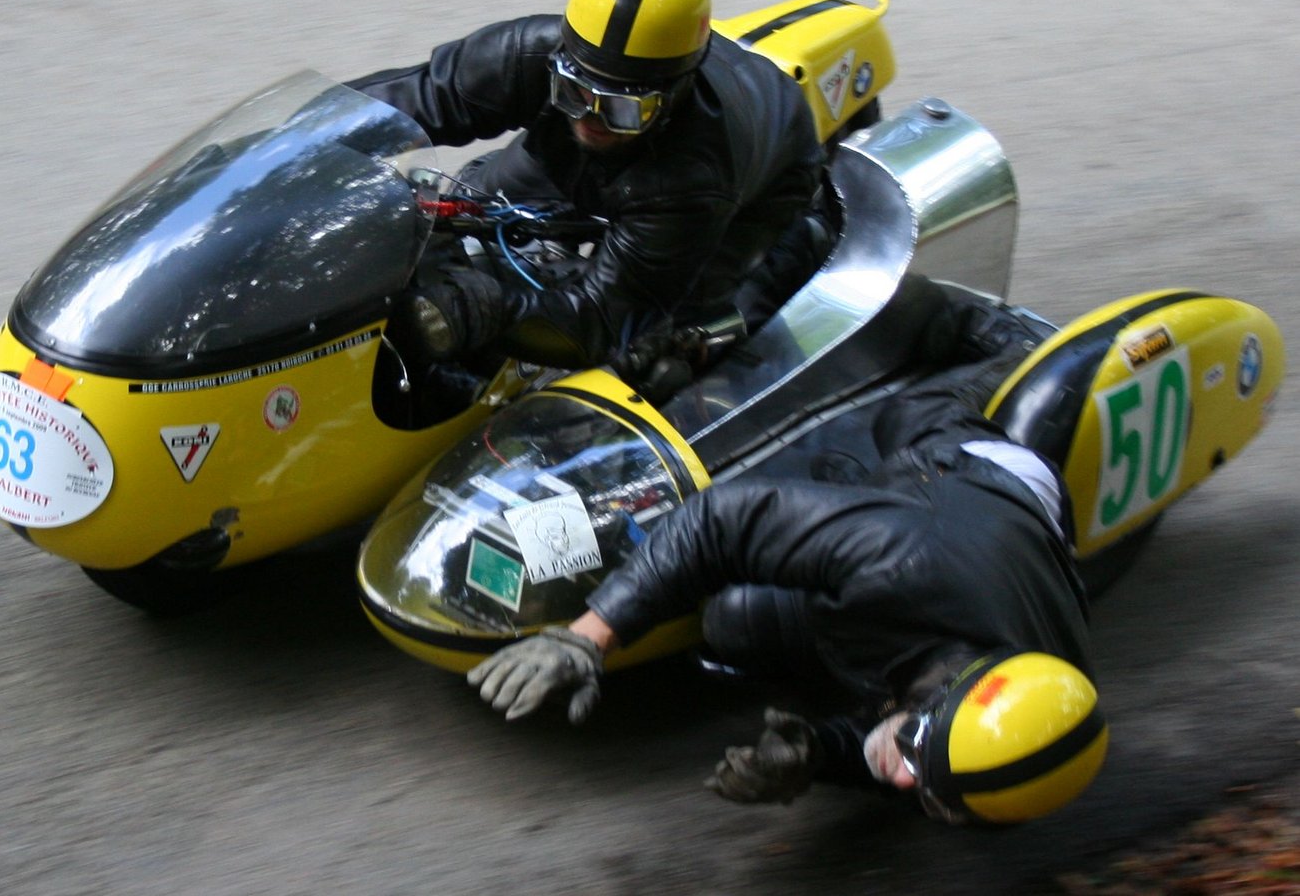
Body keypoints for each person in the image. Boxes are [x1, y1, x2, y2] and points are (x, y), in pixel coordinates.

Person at [465, 300, 1109, 825]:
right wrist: (586, 641)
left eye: (932, 792)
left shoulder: (1024, 747)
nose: (901, 778)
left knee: (732, 622)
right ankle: (1015, 340)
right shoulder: (900, 562)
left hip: (974, 576)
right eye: (914, 756)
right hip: (973, 478)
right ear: (950, 691)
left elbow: (907, 761)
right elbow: (722, 521)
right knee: (906, 416)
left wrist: (816, 756)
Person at [348, 0, 825, 375]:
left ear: (673, 91)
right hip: (597, 158)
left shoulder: (694, 177)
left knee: (660, 349)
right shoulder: (523, 53)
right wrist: (296, 140)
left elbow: (599, 323)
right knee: (470, 212)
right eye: (574, 90)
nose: (590, 120)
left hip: (756, 177)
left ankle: (802, 245)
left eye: (620, 106)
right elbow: (407, 99)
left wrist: (493, 311)